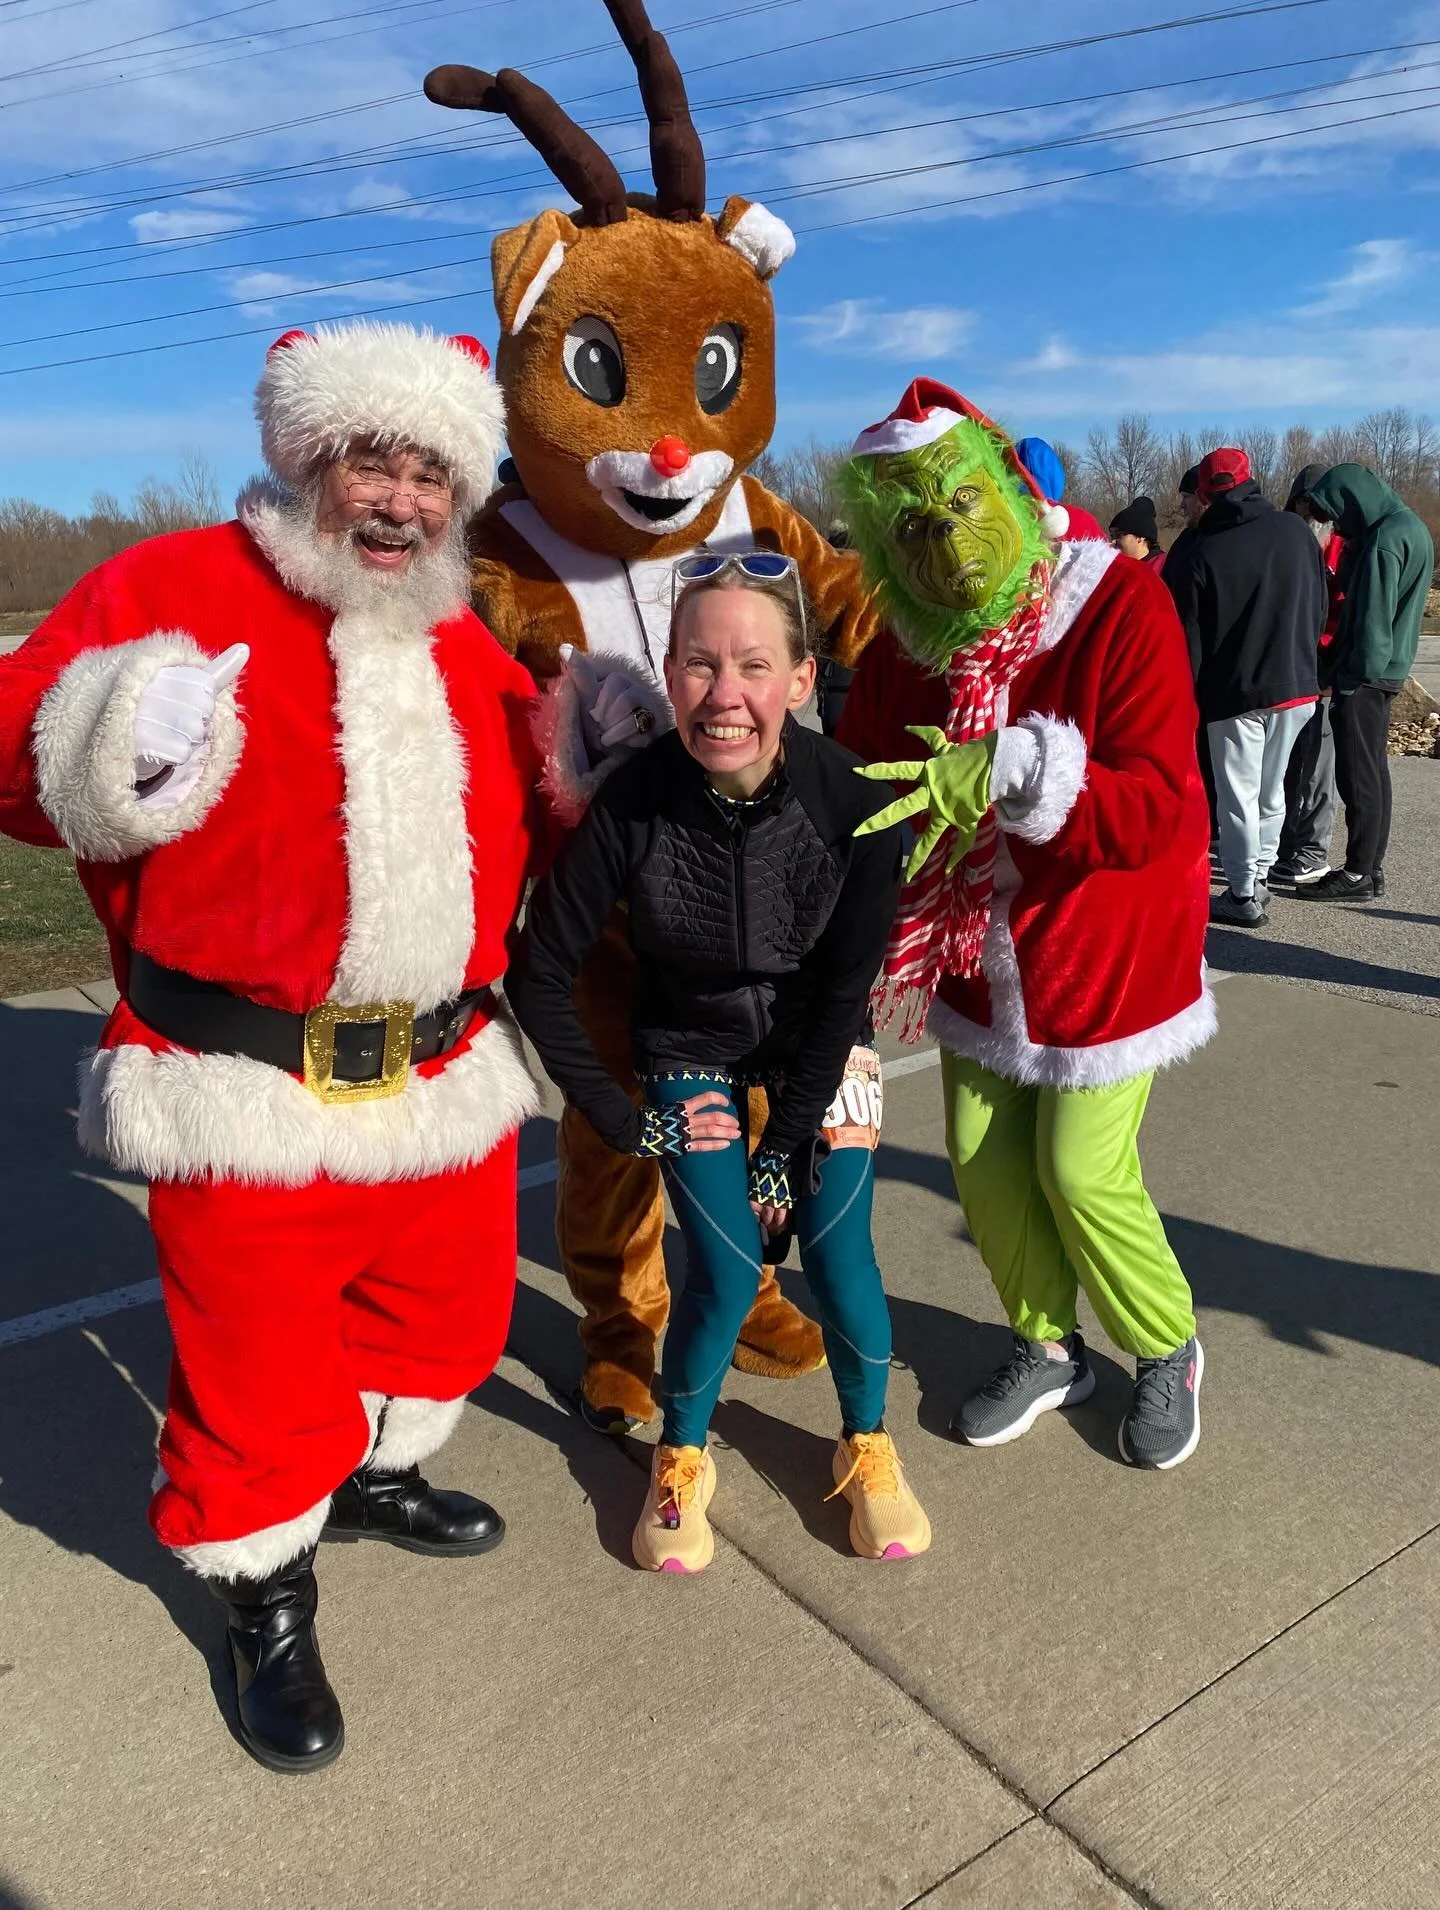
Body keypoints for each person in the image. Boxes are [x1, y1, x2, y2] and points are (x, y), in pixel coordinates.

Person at [0, 323, 548, 1774]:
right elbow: (16, 750)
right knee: (249, 1374)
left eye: (434, 472)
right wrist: (113, 728)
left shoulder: (458, 623)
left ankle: (367, 1470)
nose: (402, 500)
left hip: (439, 1083)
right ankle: (265, 1585)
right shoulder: (168, 585)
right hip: (245, 1086)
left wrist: (595, 752)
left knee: (440, 1320)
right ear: (310, 455)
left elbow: (540, 795)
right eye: (376, 457)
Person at [510, 554, 931, 1571]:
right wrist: (625, 1121)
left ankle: (869, 1440)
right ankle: (682, 1452)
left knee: (838, 1260)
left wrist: (782, 1145)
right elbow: (539, 972)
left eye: (752, 664)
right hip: (689, 1045)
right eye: (699, 665)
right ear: (672, 672)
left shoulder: (858, 801)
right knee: (729, 1269)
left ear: (799, 678)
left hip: (815, 1050)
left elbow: (840, 997)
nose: (724, 695)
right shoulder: (636, 802)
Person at [838, 378, 1212, 1472]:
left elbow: (1157, 803)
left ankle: (1166, 1344)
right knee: (981, 1155)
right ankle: (1049, 1343)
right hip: (974, 950)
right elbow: (858, 771)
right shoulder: (914, 636)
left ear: (1005, 486)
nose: (944, 544)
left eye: (956, 506)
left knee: (1083, 1170)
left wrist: (1021, 771)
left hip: (1106, 941)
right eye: (912, 524)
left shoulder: (1119, 605)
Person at [1167, 447, 1327, 927]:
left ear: (1205, 497)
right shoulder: (1295, 531)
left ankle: (1240, 893)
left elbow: (1188, 638)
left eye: (1193, 499)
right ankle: (1256, 876)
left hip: (1235, 693)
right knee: (1271, 789)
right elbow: (1318, 604)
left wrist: (1184, 703)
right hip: (1298, 685)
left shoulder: (1202, 551)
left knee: (1238, 796)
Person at [1301, 463, 1435, 903]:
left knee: (1357, 776)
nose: (1337, 525)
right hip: (1389, 671)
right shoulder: (1409, 526)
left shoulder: (1383, 541)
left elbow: (1373, 622)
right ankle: (1368, 868)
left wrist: (1348, 680)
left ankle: (1358, 872)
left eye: (1338, 514)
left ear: (1354, 502)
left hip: (1367, 675)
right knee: (1374, 772)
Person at [1271, 465, 1344, 888]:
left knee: (1318, 767)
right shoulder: (1287, 543)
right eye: (1303, 501)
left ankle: (1312, 851)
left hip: (1324, 671)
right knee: (1287, 763)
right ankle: (1286, 842)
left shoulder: (1339, 549)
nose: (1311, 512)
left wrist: (1332, 666)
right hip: (1289, 670)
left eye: (1318, 504)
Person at [1109, 496, 1167, 573]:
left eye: (1118, 535)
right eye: (1112, 536)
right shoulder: (1115, 568)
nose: (1113, 542)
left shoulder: (1165, 566)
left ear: (1140, 537)